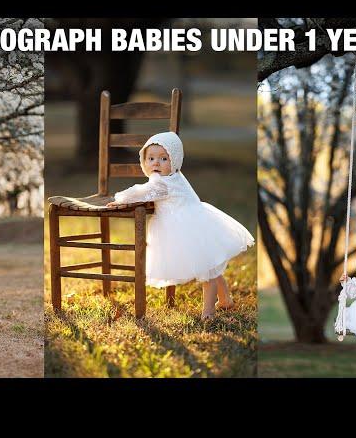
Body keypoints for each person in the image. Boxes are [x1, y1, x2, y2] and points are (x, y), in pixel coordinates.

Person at [107, 132, 254, 321]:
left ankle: (208, 312)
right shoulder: (175, 176)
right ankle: (225, 299)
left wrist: (120, 199)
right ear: (144, 161)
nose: (156, 163)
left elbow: (141, 192)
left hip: (187, 228)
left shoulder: (163, 184)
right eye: (150, 158)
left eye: (163, 158)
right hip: (196, 221)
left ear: (175, 161)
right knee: (211, 265)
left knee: (207, 270)